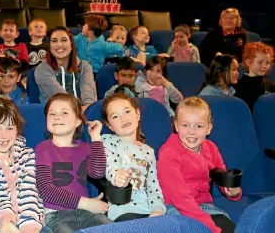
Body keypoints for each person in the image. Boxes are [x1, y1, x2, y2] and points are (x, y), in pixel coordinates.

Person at [157, 97, 241, 233]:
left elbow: (220, 175)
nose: (191, 131)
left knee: (230, 228)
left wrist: (232, 191)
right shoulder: (169, 153)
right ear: (176, 126)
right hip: (175, 207)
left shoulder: (211, 147)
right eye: (185, 125)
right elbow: (181, 199)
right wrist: (211, 227)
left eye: (199, 126)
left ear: (209, 128)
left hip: (204, 205)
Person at [0, 97, 51, 233]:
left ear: (17, 130)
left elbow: (29, 190)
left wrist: (29, 226)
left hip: (32, 220)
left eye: (9, 128)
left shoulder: (28, 154)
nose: (3, 135)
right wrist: (5, 221)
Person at [35, 93, 112, 233]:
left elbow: (97, 172)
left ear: (77, 121)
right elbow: (45, 190)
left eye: (64, 112)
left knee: (112, 229)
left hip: (87, 213)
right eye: (52, 114)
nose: (57, 116)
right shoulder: (43, 148)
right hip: (55, 214)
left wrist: (95, 138)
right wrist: (87, 203)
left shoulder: (84, 147)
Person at [101, 93, 166, 222]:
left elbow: (153, 186)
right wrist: (116, 175)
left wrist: (158, 209)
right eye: (115, 116)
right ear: (109, 125)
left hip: (148, 210)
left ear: (137, 114)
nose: (123, 118)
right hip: (123, 210)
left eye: (127, 112)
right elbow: (109, 164)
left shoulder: (148, 152)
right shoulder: (107, 141)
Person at [35, 27, 97, 111]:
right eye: (54, 41)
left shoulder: (85, 66)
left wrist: (89, 110)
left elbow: (88, 94)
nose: (59, 44)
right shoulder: (42, 69)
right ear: (49, 46)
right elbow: (60, 96)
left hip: (84, 114)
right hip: (55, 116)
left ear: (71, 45)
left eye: (64, 40)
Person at [234, 42, 275, 111]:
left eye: (267, 63)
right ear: (248, 62)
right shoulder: (239, 87)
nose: (265, 66)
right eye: (260, 62)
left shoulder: (270, 85)